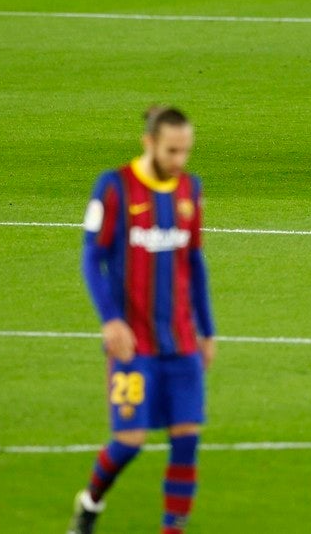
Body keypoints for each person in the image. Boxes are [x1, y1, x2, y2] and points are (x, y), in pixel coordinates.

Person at [69, 106, 216, 534]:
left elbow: (194, 262)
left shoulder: (190, 189)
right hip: (134, 343)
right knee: (129, 442)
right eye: (172, 150)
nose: (179, 160)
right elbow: (91, 255)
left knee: (186, 439)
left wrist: (208, 331)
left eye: (186, 151)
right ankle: (91, 501)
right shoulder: (114, 187)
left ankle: (173, 529)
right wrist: (111, 321)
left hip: (183, 342)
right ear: (148, 143)